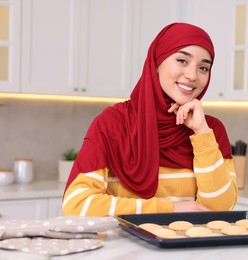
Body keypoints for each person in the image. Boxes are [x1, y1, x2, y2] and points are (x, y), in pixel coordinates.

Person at [62, 23, 238, 216]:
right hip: (124, 246)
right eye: (182, 60)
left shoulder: (210, 130)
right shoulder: (112, 123)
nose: (192, 75)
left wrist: (202, 133)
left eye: (203, 67)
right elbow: (77, 206)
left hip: (188, 246)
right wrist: (170, 209)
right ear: (156, 62)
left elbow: (221, 211)